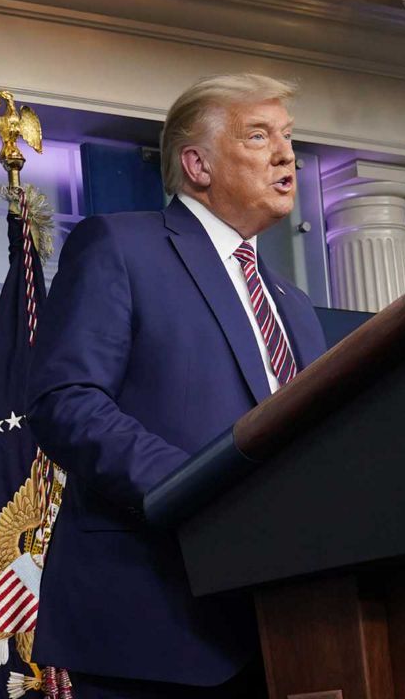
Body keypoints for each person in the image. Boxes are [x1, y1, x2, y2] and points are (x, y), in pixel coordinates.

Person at [26, 74, 328, 698]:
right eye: (258, 136)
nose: (285, 155)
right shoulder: (120, 245)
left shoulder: (294, 305)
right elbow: (66, 402)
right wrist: (197, 488)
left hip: (289, 630)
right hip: (155, 624)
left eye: (288, 138)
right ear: (197, 164)